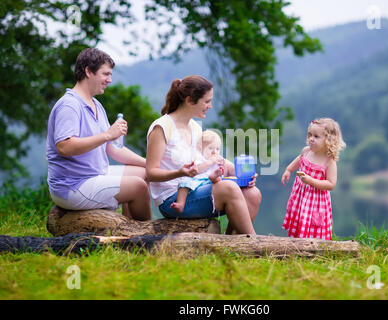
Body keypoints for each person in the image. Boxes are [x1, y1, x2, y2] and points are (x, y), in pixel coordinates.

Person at [146, 75, 261, 235]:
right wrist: (179, 172)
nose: (210, 106)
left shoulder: (194, 127)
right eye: (206, 101)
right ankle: (254, 243)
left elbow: (211, 158)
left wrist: (240, 174)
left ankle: (234, 244)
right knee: (228, 188)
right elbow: (151, 173)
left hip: (199, 187)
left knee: (253, 193)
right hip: (173, 199)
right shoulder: (162, 128)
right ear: (190, 100)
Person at [46, 48, 151, 221]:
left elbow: (113, 149)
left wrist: (150, 164)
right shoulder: (69, 105)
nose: (110, 80)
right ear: (88, 71)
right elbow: (64, 147)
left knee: (145, 173)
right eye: (105, 74)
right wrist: (107, 135)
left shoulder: (96, 104)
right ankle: (148, 239)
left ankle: (130, 232)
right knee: (138, 186)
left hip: (96, 174)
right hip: (73, 186)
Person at [281, 118, 346, 240]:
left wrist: (310, 180)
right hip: (301, 195)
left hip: (316, 201)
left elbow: (331, 184)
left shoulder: (329, 161)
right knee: (299, 218)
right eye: (310, 135)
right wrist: (289, 170)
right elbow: (299, 159)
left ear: (328, 140)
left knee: (313, 223)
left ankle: (314, 246)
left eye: (316, 136)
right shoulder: (306, 151)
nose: (311, 138)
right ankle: (297, 242)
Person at [170, 130, 225, 214]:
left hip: (209, 181)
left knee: (221, 180)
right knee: (183, 183)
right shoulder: (199, 157)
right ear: (200, 148)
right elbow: (197, 170)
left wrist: (221, 165)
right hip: (197, 179)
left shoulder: (217, 158)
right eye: (210, 148)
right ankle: (180, 204)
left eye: (217, 149)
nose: (214, 151)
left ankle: (214, 177)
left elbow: (224, 167)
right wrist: (209, 162)